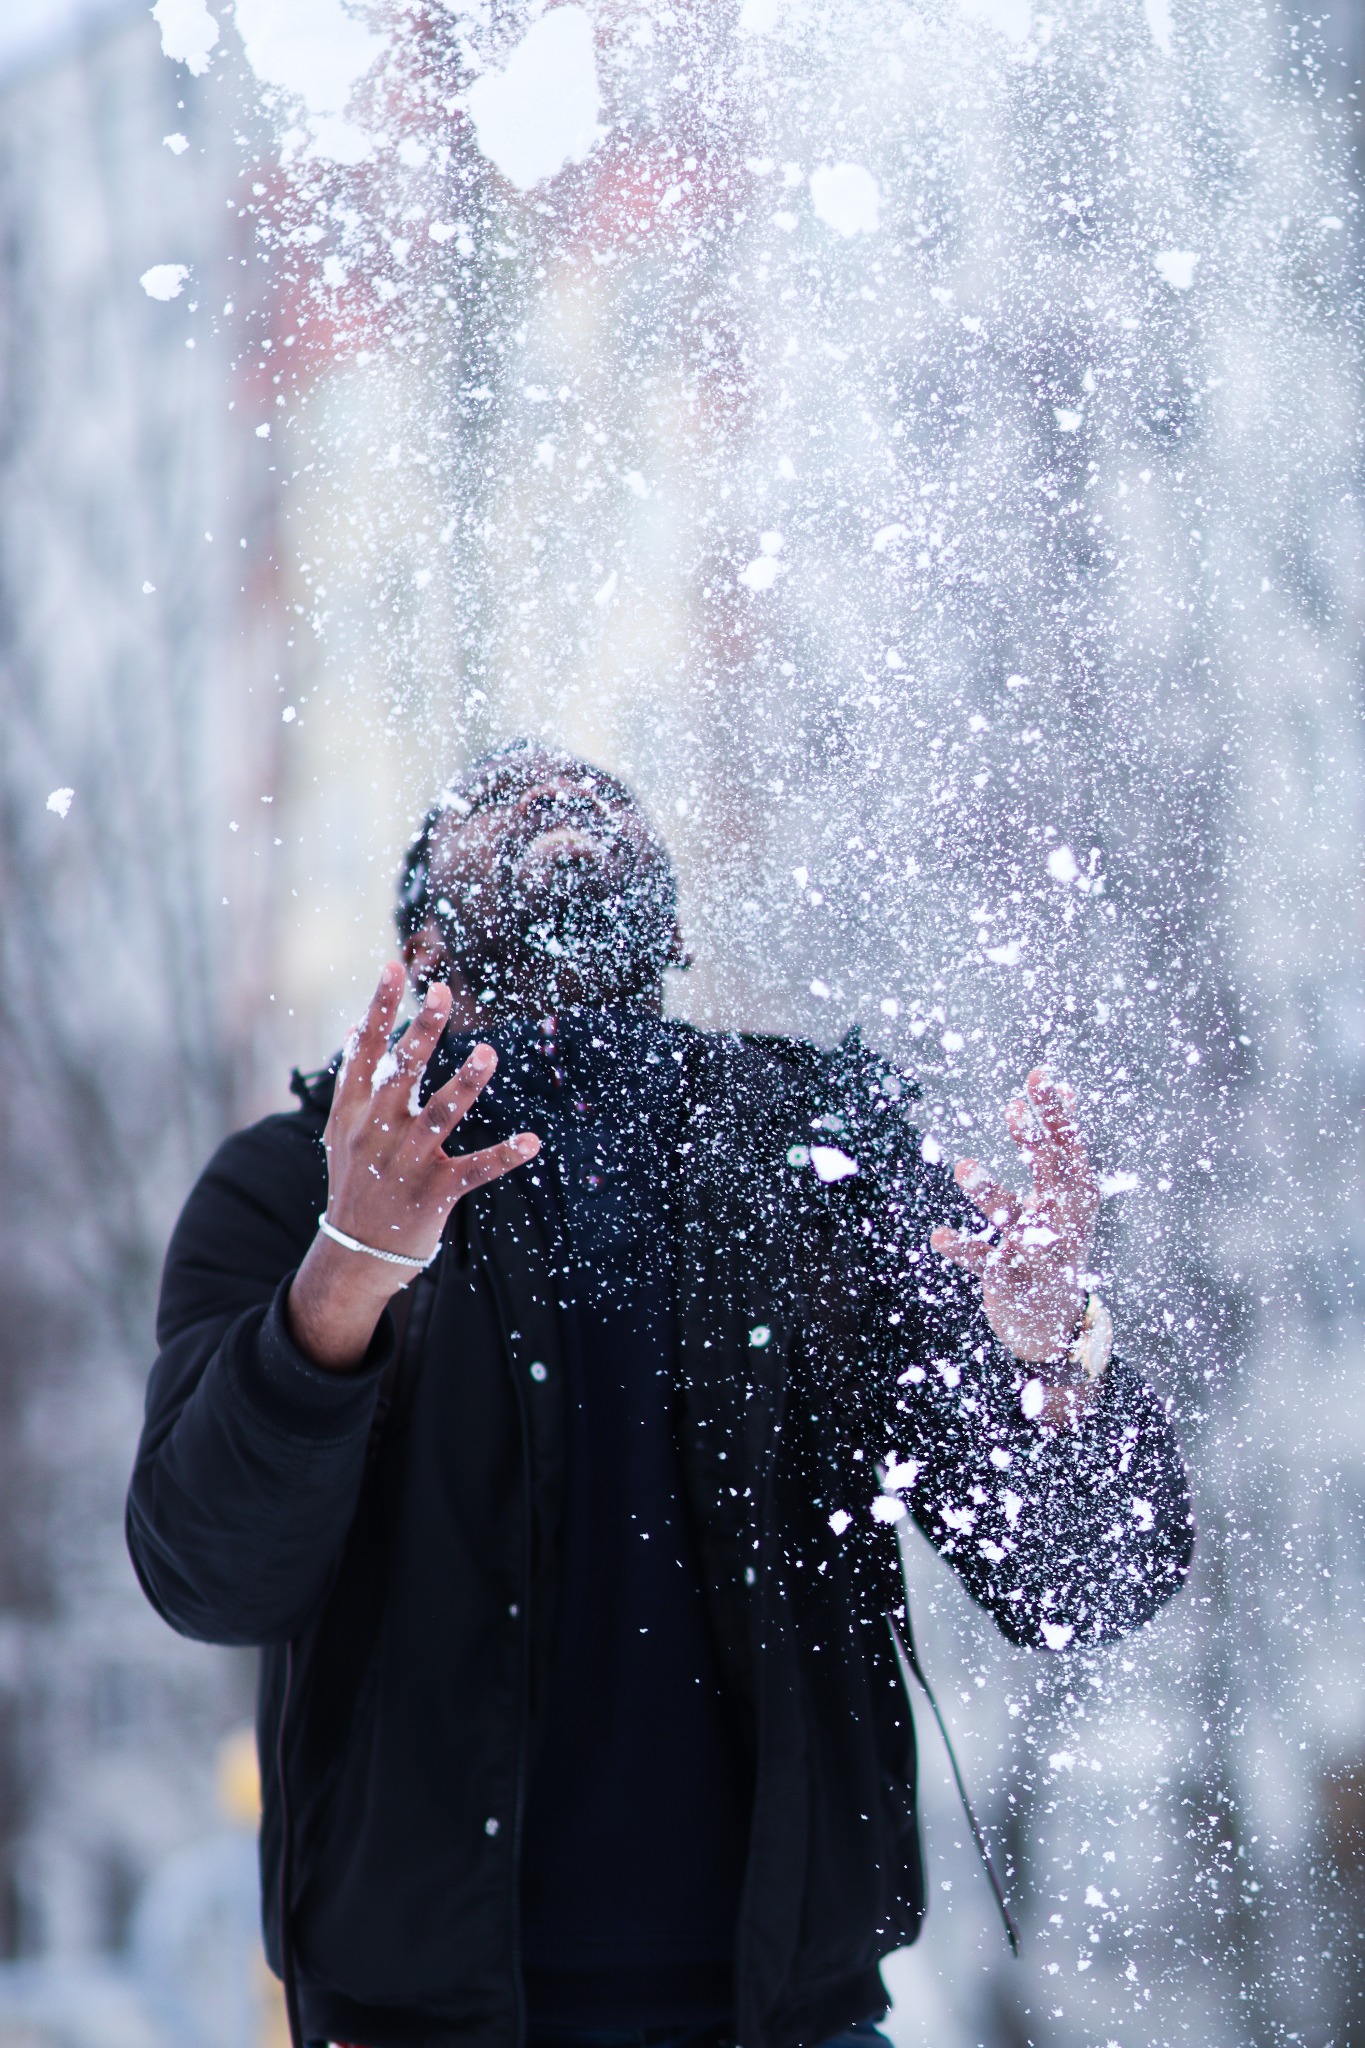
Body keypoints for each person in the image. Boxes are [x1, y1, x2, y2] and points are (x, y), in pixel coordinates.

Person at [127, 742, 1193, 2048]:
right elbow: (206, 1575)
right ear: (415, 945)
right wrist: (342, 1282)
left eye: (597, 805)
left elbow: (1075, 1583)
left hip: (790, 2022)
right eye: (505, 805)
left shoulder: (821, 1159)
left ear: (670, 923)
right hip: (416, 2024)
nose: (561, 810)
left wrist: (1044, 1354)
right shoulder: (291, 1189)